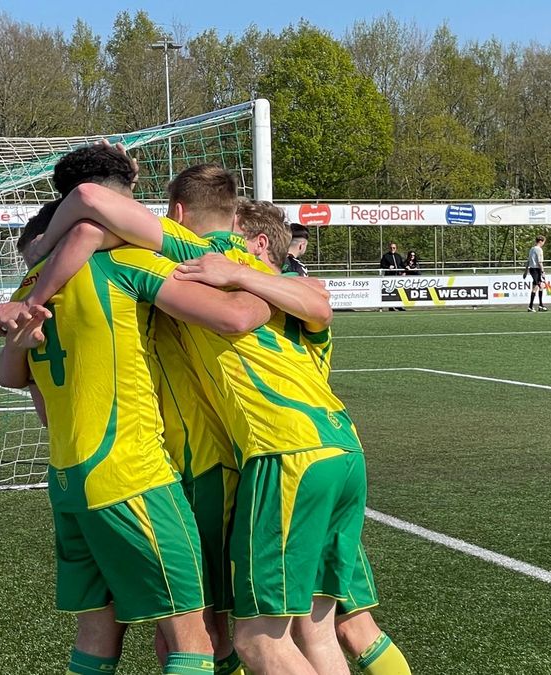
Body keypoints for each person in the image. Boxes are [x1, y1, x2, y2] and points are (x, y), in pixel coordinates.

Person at [0, 162, 331, 675]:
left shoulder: (25, 293)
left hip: (68, 479)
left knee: (99, 633)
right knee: (196, 636)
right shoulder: (128, 261)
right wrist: (261, 287)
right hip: (138, 469)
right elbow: (236, 315)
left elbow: (17, 382)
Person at [175, 203, 368, 675]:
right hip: (342, 448)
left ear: (257, 245)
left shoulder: (251, 289)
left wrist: (230, 271)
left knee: (257, 639)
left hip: (286, 453)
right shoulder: (296, 296)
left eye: (232, 239)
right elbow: (317, 302)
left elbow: (273, 308)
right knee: (319, 629)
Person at [525, 235, 547, 312]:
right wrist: (543, 272)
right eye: (544, 242)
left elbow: (528, 261)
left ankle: (540, 305)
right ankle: (531, 306)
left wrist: (525, 271)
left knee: (540, 286)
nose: (543, 243)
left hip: (532, 269)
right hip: (536, 269)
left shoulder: (532, 249)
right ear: (540, 241)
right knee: (537, 286)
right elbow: (540, 262)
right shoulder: (539, 250)